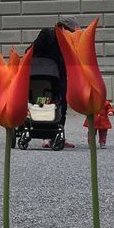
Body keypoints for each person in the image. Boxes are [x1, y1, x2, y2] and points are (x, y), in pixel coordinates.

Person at [31, 16, 79, 148]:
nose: (72, 35)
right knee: (43, 102)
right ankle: (46, 136)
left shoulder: (69, 40)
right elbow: (31, 51)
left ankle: (58, 135)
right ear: (62, 27)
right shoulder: (47, 34)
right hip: (43, 77)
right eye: (70, 31)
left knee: (62, 104)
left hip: (60, 77)